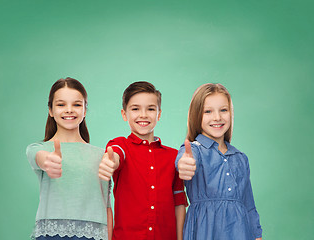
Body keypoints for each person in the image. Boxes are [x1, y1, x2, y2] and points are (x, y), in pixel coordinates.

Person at [98, 81, 188, 240]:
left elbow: (179, 203)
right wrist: (110, 162)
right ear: (124, 114)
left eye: (151, 109)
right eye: (135, 109)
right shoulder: (120, 145)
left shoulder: (174, 157)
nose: (144, 115)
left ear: (159, 114)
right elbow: (115, 156)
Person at [26, 77, 112, 240]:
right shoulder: (40, 149)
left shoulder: (102, 155)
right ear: (51, 110)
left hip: (94, 236)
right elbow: (38, 157)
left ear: (85, 110)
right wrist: (47, 161)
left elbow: (107, 206)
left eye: (77, 104)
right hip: (52, 235)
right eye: (61, 104)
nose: (69, 110)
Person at [176, 83, 262, 240]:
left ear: (231, 113)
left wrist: (257, 235)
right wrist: (184, 164)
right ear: (196, 115)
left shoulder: (240, 158)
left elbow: (249, 205)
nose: (217, 117)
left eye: (223, 110)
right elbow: (183, 160)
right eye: (208, 111)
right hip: (204, 232)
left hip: (241, 233)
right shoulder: (194, 150)